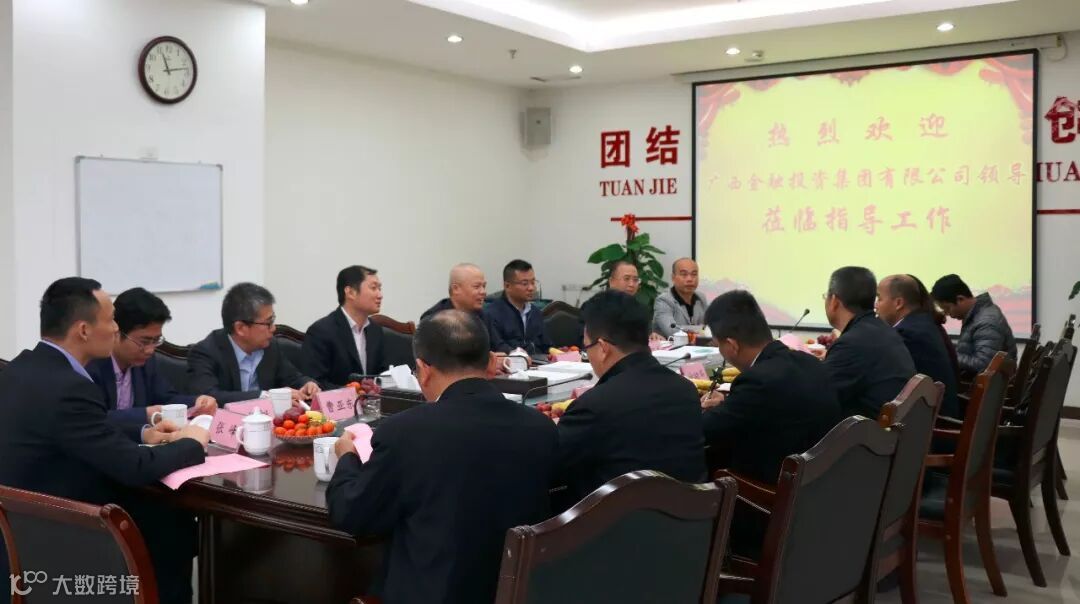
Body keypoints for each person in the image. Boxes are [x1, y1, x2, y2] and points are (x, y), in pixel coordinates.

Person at [0, 277, 210, 604]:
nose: (115, 329)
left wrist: (143, 432)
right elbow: (134, 466)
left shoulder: (20, 369)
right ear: (83, 330)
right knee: (171, 522)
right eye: (111, 320)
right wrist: (193, 442)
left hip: (18, 531)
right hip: (60, 540)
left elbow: (78, 428)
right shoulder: (69, 387)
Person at [327, 310, 558, 604]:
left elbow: (353, 515)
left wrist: (347, 457)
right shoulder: (540, 427)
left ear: (423, 369)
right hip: (519, 592)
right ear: (491, 362)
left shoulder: (405, 432)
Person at [700, 290, 842, 556]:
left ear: (731, 345)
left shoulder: (758, 381)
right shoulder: (809, 364)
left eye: (718, 345)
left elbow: (705, 431)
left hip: (771, 510)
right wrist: (730, 406)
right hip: (818, 495)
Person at [557, 290, 706, 505]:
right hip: (690, 520)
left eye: (587, 347)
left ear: (602, 348)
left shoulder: (594, 406)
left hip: (617, 524)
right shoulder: (685, 390)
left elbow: (551, 465)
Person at [86, 288, 217, 442]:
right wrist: (145, 414)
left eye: (156, 340)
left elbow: (166, 398)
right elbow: (93, 418)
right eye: (144, 341)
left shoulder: (146, 362)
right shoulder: (92, 364)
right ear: (117, 332)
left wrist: (197, 402)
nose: (150, 350)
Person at [188, 282, 320, 404]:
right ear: (240, 328)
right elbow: (209, 397)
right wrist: (264, 396)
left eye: (273, 320)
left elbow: (293, 378)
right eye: (268, 323)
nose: (273, 328)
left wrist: (307, 384)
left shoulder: (270, 346)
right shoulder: (206, 352)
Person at [822, 267, 915, 418]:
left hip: (867, 430)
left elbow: (818, 396)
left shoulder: (851, 344)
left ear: (834, 301)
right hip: (892, 426)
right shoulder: (882, 330)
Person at [875, 275, 960, 418]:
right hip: (934, 414)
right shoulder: (922, 323)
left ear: (898, 303)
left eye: (879, 299)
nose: (876, 305)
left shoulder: (908, 334)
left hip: (932, 423)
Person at [302, 265, 388, 389]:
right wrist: (355, 392)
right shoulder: (321, 331)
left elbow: (383, 375)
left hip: (373, 401)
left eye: (380, 288)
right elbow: (315, 383)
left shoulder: (376, 330)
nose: (380, 295)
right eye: (373, 288)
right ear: (350, 292)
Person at [931, 273, 1018, 378]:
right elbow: (969, 349)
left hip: (985, 385)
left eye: (947, 308)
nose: (947, 314)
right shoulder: (977, 314)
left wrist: (947, 355)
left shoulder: (986, 322)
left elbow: (983, 365)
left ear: (960, 299)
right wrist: (947, 347)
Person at [421, 263, 507, 352]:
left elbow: (498, 346)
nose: (483, 292)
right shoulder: (433, 319)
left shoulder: (484, 315)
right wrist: (486, 359)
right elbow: (436, 357)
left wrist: (509, 354)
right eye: (476, 287)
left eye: (484, 286)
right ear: (456, 289)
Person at [485, 259, 552, 355]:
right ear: (507, 286)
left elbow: (546, 345)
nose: (531, 288)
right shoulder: (492, 314)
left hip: (538, 362)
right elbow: (498, 347)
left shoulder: (535, 312)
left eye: (533, 282)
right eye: (525, 284)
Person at [653, 257, 707, 337]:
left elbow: (709, 327)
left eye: (694, 274)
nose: (690, 279)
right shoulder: (664, 300)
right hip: (671, 345)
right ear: (673, 277)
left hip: (697, 345)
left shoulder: (701, 297)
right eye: (684, 274)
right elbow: (672, 331)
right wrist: (701, 331)